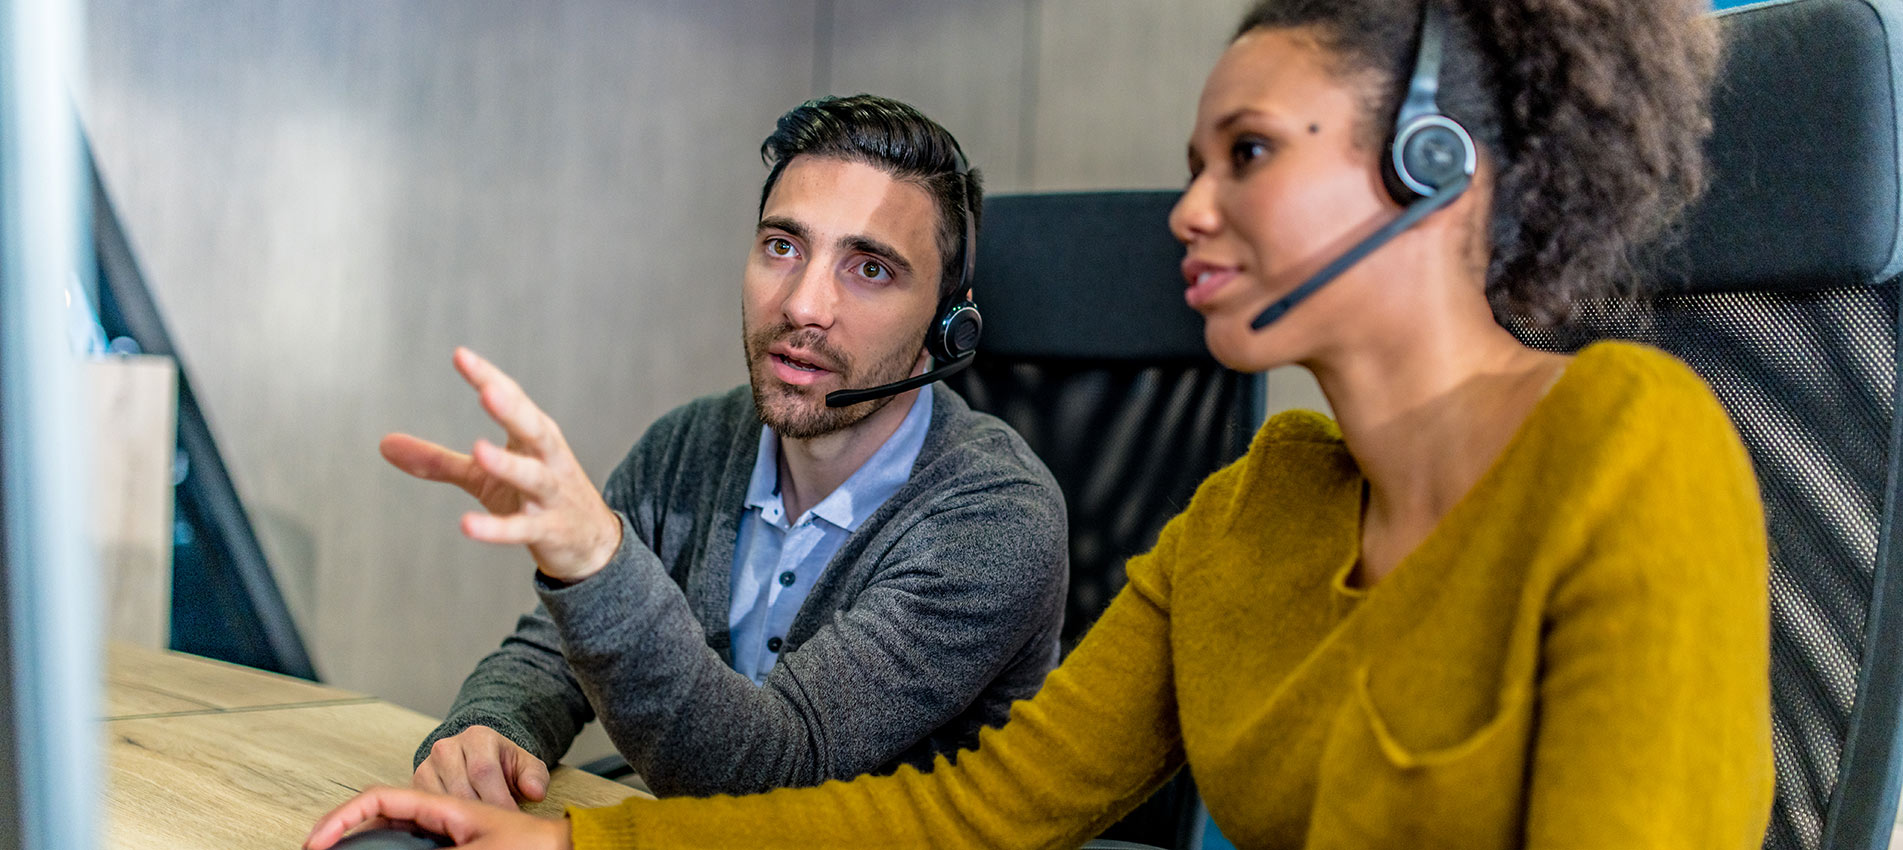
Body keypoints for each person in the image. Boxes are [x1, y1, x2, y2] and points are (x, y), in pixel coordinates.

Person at [307, 0, 1776, 846]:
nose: (1185, 211)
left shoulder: (1628, 445)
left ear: (1436, 164)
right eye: (1189, 162)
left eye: (1246, 154)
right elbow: (972, 813)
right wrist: (581, 838)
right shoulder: (1249, 513)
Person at [385, 94, 1069, 807]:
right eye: (783, 247)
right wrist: (494, 730)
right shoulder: (689, 445)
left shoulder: (995, 518)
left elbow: (773, 781)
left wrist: (594, 559)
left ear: (946, 320)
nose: (803, 305)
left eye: (868, 268)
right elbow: (554, 653)